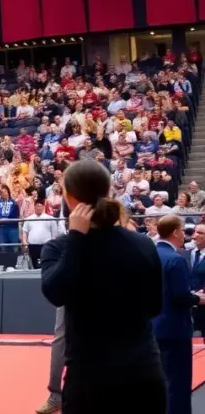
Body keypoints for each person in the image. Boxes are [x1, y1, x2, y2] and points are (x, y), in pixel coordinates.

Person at [40, 160, 165, 414]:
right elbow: (154, 307)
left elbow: (55, 292)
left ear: (69, 198)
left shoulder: (61, 248)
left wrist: (76, 238)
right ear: (109, 191)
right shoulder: (143, 244)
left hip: (90, 381)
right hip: (144, 374)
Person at [154, 214, 200, 414]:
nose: (185, 235)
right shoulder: (176, 259)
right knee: (179, 381)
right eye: (182, 230)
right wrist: (197, 298)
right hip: (175, 328)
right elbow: (181, 296)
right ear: (175, 232)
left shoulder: (151, 254)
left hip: (154, 326)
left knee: (160, 378)